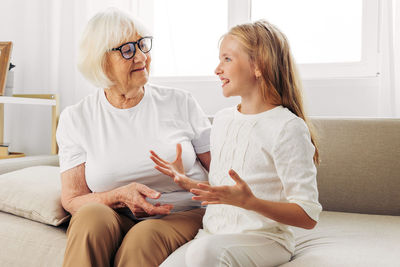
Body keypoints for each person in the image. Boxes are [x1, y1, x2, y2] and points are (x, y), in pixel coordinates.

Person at [151, 20, 322, 267]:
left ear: (258, 65)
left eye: (227, 59)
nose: (217, 69)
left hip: (265, 240)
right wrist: (189, 182)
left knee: (203, 254)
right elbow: (225, 192)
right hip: (212, 235)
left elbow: (308, 216)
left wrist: (250, 203)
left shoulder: (287, 127)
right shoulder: (222, 120)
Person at [56, 8, 211, 267]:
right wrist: (117, 196)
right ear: (100, 61)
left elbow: (222, 172)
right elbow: (73, 199)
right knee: (89, 216)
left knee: (143, 237)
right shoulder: (77, 118)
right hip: (116, 214)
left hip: (182, 212)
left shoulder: (180, 102)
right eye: (127, 50)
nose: (141, 56)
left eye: (142, 45)